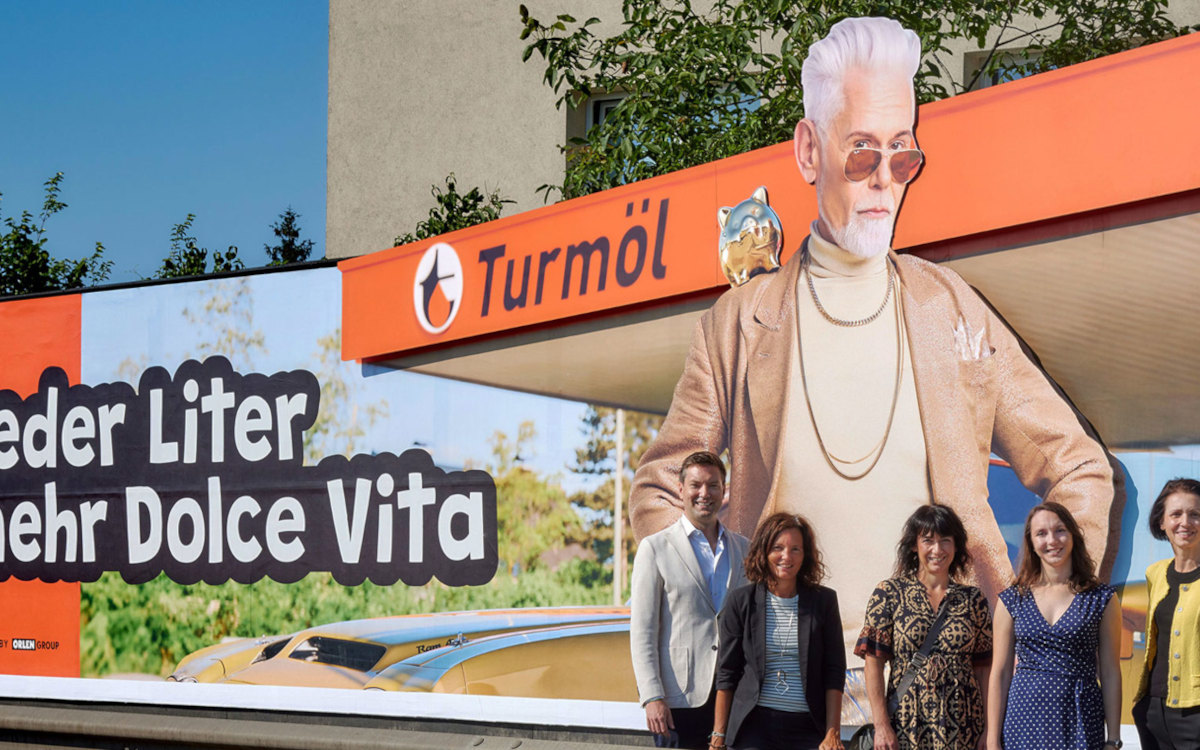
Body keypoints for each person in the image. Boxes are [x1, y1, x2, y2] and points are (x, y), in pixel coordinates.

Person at [629, 15, 1124, 664]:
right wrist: (715, 615)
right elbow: (661, 487)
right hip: (790, 699)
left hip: (943, 700)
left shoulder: (953, 312)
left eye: (904, 154)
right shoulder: (737, 324)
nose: (886, 179)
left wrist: (1037, 613)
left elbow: (1080, 467)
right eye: (862, 151)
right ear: (809, 151)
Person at [631, 451, 751, 749]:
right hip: (678, 700)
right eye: (696, 485)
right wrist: (652, 696)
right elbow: (642, 632)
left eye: (713, 485)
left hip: (733, 698)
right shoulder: (654, 549)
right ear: (681, 490)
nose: (704, 493)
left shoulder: (745, 550)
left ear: (724, 490)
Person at [986, 502, 1122, 750]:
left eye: (1059, 530)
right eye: (1041, 533)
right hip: (1023, 721)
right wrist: (993, 740)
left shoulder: (1102, 598)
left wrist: (1113, 739)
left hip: (1081, 718)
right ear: (1031, 542)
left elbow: (1111, 672)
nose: (1052, 540)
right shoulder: (1012, 599)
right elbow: (1001, 673)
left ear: (1073, 535)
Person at [856, 505, 992, 750]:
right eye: (928, 541)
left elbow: (984, 671)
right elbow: (873, 664)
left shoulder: (974, 600)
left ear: (957, 546)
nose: (937, 550)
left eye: (945, 541)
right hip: (907, 725)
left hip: (965, 725)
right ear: (913, 546)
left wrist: (989, 730)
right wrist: (882, 726)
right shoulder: (889, 593)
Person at [711, 513, 845, 750]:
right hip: (754, 726)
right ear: (764, 552)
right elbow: (727, 672)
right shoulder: (741, 601)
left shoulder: (824, 601)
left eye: (795, 549)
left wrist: (832, 732)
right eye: (778, 548)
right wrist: (718, 736)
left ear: (805, 556)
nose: (786, 556)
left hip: (808, 727)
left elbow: (834, 671)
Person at [1132, 478, 1200, 750]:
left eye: (1195, 514)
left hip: (1195, 711)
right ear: (1161, 522)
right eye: (1176, 514)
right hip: (1152, 711)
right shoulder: (1155, 573)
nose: (1185, 522)